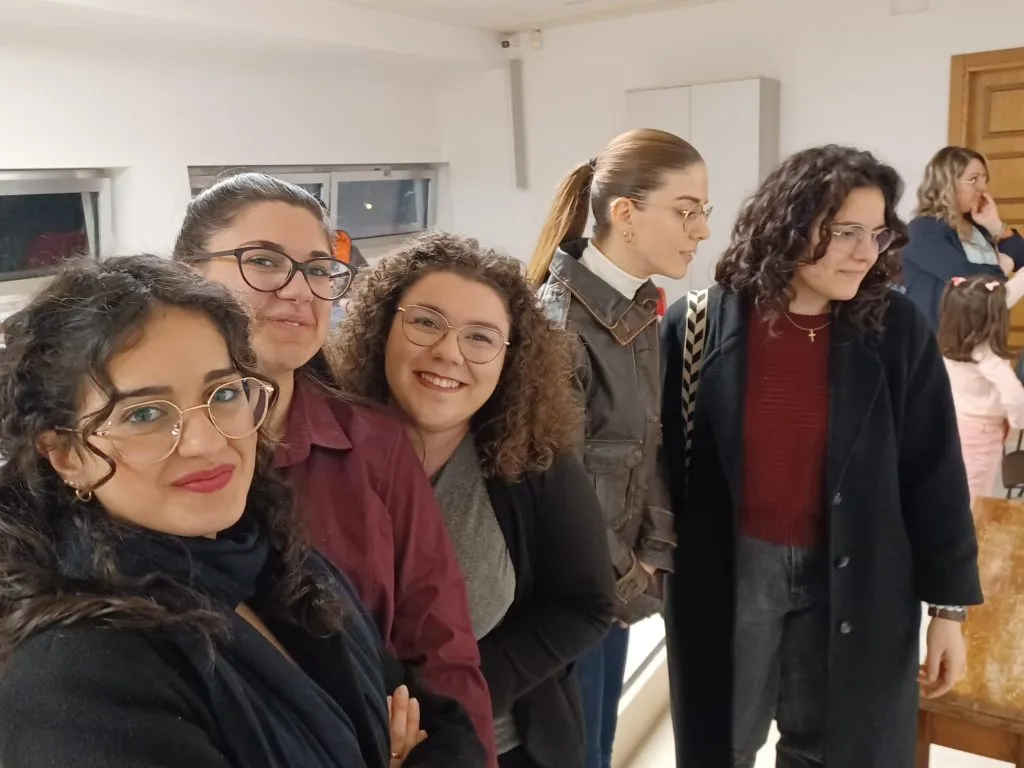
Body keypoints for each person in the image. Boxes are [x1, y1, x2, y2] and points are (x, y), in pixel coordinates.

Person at [0, 255, 486, 768]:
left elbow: (446, 726)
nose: (206, 442)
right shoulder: (74, 684)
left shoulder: (276, 558)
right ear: (66, 455)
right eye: (144, 414)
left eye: (224, 393)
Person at [660, 145, 983, 768]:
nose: (867, 252)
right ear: (787, 225)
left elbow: (935, 474)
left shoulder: (896, 329)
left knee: (835, 750)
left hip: (861, 577)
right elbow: (663, 467)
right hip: (731, 574)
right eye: (844, 233)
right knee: (720, 745)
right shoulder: (699, 323)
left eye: (877, 234)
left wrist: (948, 611)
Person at [172, 173, 496, 764]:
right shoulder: (144, 462)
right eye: (264, 261)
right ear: (187, 275)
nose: (300, 290)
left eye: (319, 269)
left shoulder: (375, 446)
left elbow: (442, 648)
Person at [326, 232, 616, 768]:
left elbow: (587, 605)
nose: (448, 351)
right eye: (426, 322)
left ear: (510, 358)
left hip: (499, 747)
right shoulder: (322, 454)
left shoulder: (536, 466)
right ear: (382, 327)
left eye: (480, 337)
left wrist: (460, 694)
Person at [527, 128, 709, 768]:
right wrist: (630, 577)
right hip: (571, 592)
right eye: (686, 211)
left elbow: (645, 446)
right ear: (626, 214)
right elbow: (559, 491)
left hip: (610, 588)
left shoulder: (635, 308)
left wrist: (651, 554)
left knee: (597, 749)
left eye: (703, 211)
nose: (701, 230)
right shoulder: (559, 326)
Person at [902, 146, 1024, 329]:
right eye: (973, 179)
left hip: (983, 334)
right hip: (940, 339)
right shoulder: (923, 230)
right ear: (947, 183)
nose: (982, 188)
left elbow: (1021, 259)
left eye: (984, 179)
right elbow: (969, 280)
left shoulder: (979, 227)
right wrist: (1003, 266)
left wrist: (995, 225)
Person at [939, 274, 1024, 503]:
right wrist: (1018, 421)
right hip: (982, 435)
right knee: (975, 497)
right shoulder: (986, 355)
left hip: (958, 423)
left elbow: (1000, 297)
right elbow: (1015, 398)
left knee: (959, 489)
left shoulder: (950, 342)